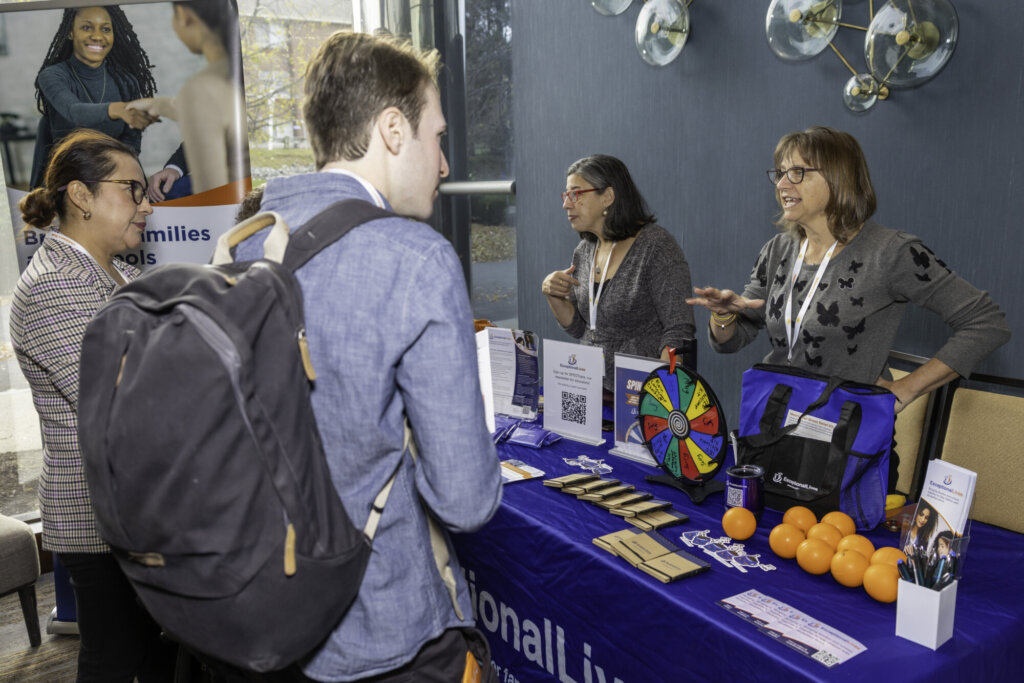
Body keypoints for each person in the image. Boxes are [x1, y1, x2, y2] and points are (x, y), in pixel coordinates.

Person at [229, 32, 502, 682]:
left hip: (263, 617)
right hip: (385, 629)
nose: (442, 163)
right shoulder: (415, 258)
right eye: (437, 137)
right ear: (391, 130)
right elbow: (466, 499)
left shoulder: (244, 243)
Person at [687, 126, 1009, 434]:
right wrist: (724, 313)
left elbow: (987, 323)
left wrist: (905, 389)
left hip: (846, 440)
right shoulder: (778, 250)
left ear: (838, 177)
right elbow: (731, 340)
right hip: (775, 429)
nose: (782, 184)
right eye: (780, 173)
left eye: (797, 172)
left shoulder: (891, 252)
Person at [9, 129, 176, 681]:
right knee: (115, 656)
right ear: (80, 196)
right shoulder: (56, 284)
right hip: (97, 515)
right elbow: (119, 396)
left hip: (136, 505)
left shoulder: (115, 274)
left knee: (153, 652)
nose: (147, 204)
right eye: (132, 189)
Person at [541, 154, 695, 393]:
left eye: (576, 193)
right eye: (566, 195)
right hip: (589, 388)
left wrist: (660, 396)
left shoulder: (656, 246)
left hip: (638, 396)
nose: (566, 204)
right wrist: (552, 295)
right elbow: (581, 328)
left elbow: (678, 330)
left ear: (608, 197)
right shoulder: (584, 250)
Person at [127, 0, 248, 196]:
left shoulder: (203, 87)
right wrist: (175, 168)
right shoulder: (232, 72)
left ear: (184, 15)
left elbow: (214, 193)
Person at [31, 5, 159, 189]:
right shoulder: (52, 76)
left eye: (105, 29)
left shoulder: (126, 81)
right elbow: (73, 111)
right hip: (66, 178)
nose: (98, 36)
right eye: (86, 27)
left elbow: (131, 143)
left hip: (115, 176)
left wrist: (110, 176)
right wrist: (117, 109)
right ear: (70, 32)